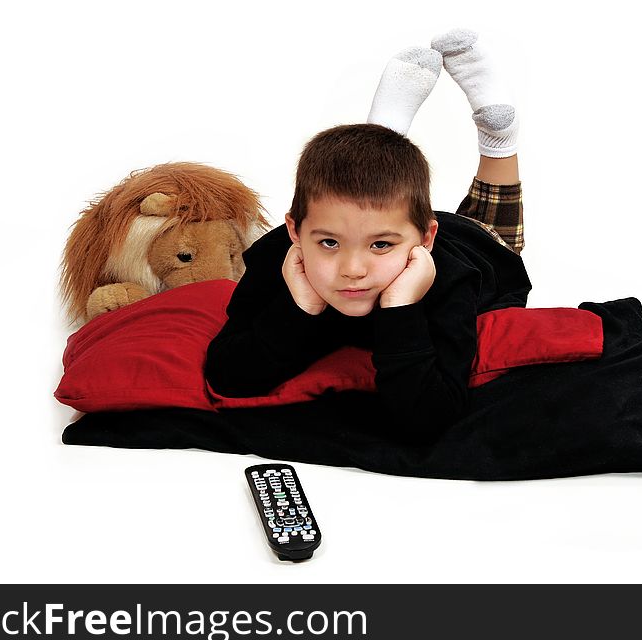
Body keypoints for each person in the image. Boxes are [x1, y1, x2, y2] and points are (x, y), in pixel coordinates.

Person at [205, 29, 531, 437]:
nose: (352, 269)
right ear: (294, 230)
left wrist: (400, 308)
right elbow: (227, 378)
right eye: (328, 243)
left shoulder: (450, 279)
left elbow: (431, 418)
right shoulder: (278, 257)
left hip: (473, 246)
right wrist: (299, 307)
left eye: (379, 246)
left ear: (425, 240)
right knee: (369, 209)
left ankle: (498, 137)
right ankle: (383, 136)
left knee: (495, 233)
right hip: (393, 222)